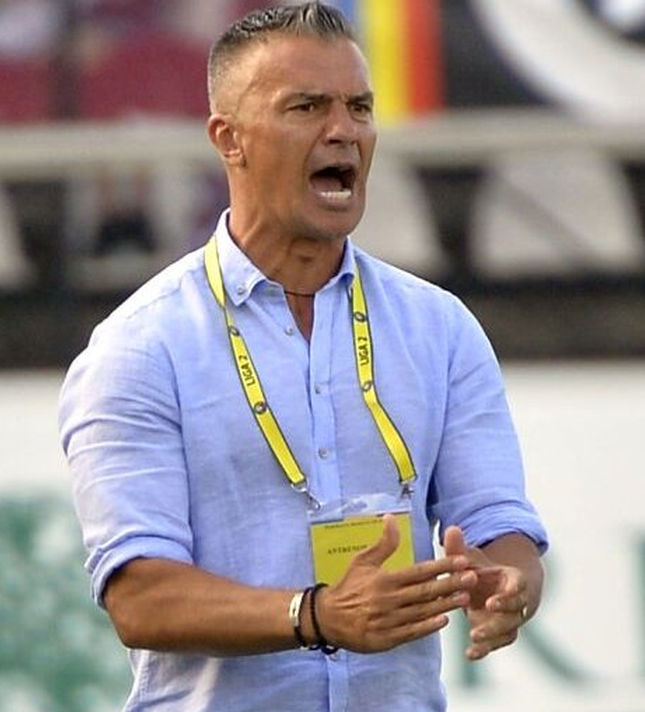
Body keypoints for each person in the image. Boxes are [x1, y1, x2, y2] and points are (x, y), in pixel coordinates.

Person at [57, 4, 548, 710]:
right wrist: (314, 615)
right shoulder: (140, 347)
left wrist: (508, 582)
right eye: (307, 107)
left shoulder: (439, 327)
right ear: (229, 139)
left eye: (360, 107)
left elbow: (499, 521)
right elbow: (140, 596)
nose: (343, 130)